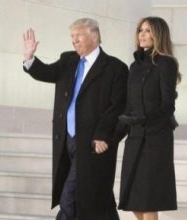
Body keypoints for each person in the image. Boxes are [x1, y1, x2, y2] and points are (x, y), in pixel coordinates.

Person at [22, 18, 128, 220]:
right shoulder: (68, 60)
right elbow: (46, 72)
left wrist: (103, 135)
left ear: (94, 36)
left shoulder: (115, 68)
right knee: (95, 197)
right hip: (66, 140)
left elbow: (118, 107)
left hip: (92, 142)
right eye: (72, 36)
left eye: (78, 35)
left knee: (70, 196)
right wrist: (29, 58)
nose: (74, 40)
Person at [117, 16, 181, 220]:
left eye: (147, 31)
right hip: (135, 137)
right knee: (133, 200)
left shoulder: (166, 63)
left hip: (155, 139)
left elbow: (168, 105)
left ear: (158, 34)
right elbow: (129, 102)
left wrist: (142, 118)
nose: (142, 35)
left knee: (148, 200)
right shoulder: (134, 66)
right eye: (140, 30)